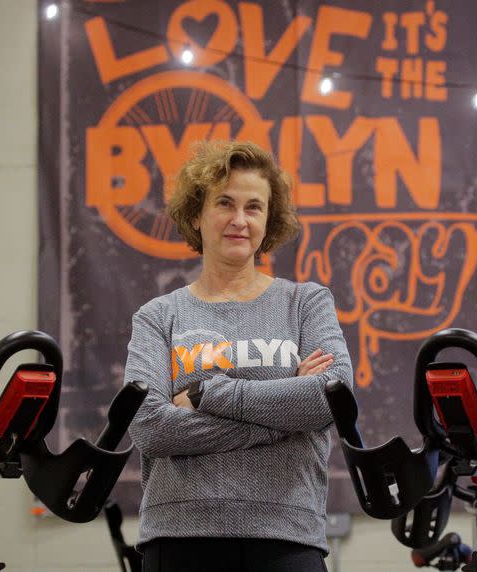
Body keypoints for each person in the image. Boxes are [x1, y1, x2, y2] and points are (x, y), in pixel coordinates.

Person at [124, 140, 353, 572]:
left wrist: (208, 392)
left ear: (269, 221)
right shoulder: (159, 316)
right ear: (197, 214)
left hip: (287, 536)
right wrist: (280, 422)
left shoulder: (306, 303)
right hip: (179, 536)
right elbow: (151, 427)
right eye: (224, 203)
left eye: (254, 207)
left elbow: (328, 398)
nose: (239, 220)